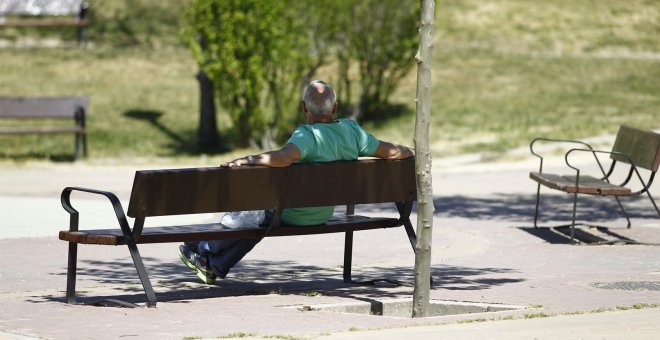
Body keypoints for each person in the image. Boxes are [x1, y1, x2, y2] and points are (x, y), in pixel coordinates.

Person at [179, 80, 414, 284]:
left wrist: (250, 159)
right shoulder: (352, 131)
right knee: (261, 218)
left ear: (304, 108)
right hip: (321, 215)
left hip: (291, 214)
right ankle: (212, 263)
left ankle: (203, 249)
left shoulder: (308, 135)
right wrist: (413, 151)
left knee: (259, 216)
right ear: (335, 108)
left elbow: (284, 158)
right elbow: (392, 152)